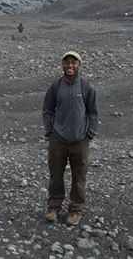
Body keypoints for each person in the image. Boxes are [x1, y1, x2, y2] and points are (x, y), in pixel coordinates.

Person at [42, 51, 99, 225]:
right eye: (67, 62)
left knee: (79, 176)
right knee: (56, 175)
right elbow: (47, 110)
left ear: (79, 65)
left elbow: (93, 113)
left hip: (80, 140)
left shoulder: (87, 87)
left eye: (74, 63)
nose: (70, 66)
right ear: (63, 64)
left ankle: (75, 210)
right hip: (57, 140)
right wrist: (50, 132)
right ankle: (53, 208)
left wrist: (88, 134)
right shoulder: (55, 87)